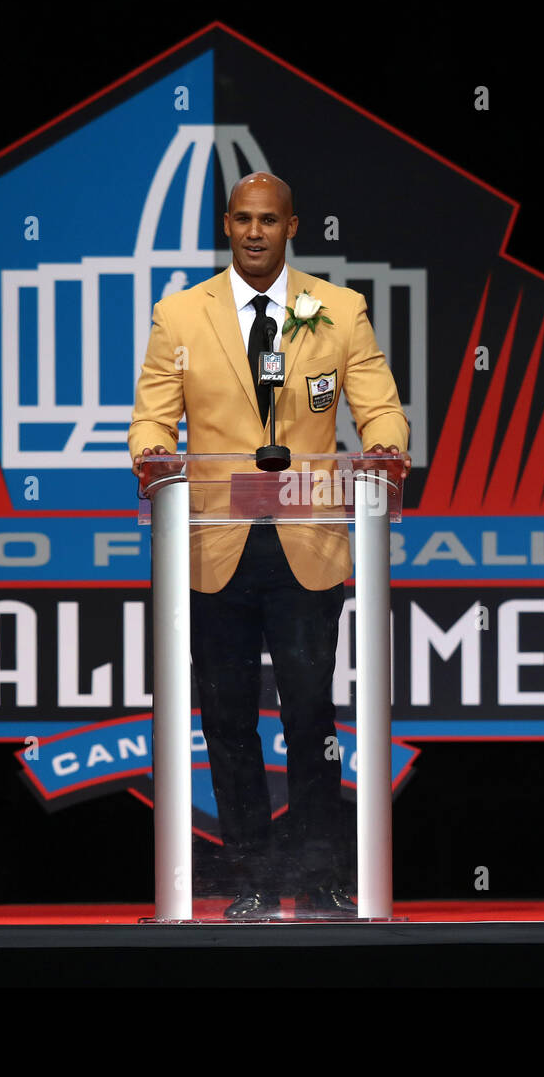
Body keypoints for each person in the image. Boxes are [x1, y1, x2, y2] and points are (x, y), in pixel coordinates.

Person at [129, 172, 410, 919]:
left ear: (293, 226)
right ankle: (249, 879)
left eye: (269, 220)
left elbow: (381, 410)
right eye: (242, 219)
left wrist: (383, 449)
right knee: (224, 719)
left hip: (307, 540)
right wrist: (153, 455)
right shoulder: (180, 314)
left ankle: (320, 878)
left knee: (311, 715)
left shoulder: (338, 310)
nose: (255, 232)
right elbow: (151, 419)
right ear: (228, 224)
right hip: (213, 539)